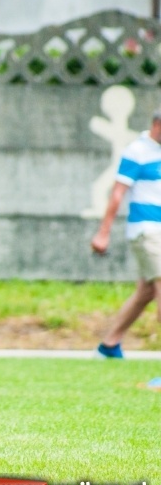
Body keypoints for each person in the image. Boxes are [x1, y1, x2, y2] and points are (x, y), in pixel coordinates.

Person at [91, 107, 161, 359]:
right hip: (147, 232)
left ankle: (109, 345)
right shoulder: (136, 152)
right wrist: (103, 233)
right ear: (157, 125)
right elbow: (117, 194)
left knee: (145, 292)